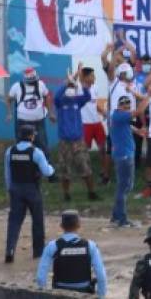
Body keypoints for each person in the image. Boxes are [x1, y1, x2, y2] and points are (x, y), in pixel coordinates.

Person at [4, 124, 54, 263]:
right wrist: (52, 169)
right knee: (37, 221)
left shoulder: (10, 151)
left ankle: (10, 251)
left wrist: (10, 189)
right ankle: (38, 253)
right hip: (32, 189)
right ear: (32, 136)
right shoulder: (36, 152)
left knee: (14, 222)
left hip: (16, 189)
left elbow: (7, 173)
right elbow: (46, 172)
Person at [36, 210, 107, 297]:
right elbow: (101, 276)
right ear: (79, 225)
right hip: (83, 293)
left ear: (61, 226)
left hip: (59, 292)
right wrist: (101, 296)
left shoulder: (52, 246)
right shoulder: (90, 246)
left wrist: (45, 295)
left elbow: (40, 277)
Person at [54, 70, 99, 203]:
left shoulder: (77, 101)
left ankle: (91, 193)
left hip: (78, 141)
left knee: (85, 167)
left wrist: (82, 84)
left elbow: (87, 96)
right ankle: (66, 194)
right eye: (69, 86)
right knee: (65, 170)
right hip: (65, 142)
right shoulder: (60, 102)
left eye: (72, 86)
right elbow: (56, 96)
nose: (71, 88)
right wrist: (66, 84)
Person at [6, 67, 55, 167]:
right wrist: (9, 113)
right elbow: (8, 99)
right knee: (21, 144)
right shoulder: (16, 86)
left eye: (34, 80)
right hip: (22, 123)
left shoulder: (41, 84)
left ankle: (47, 167)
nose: (33, 82)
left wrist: (50, 113)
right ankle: (22, 166)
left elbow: (47, 97)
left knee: (42, 144)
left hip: (39, 122)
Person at [111, 95, 145, 228]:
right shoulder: (120, 115)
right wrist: (148, 97)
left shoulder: (118, 116)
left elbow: (127, 126)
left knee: (124, 186)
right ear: (120, 106)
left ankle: (116, 215)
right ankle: (122, 219)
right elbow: (139, 111)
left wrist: (138, 131)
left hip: (123, 155)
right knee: (124, 187)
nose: (127, 107)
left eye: (128, 105)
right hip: (125, 156)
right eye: (125, 105)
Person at [77, 67, 109, 186]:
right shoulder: (79, 88)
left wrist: (104, 112)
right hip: (85, 124)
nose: (94, 78)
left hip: (97, 123)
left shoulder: (95, 88)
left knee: (103, 149)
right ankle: (87, 175)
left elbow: (94, 105)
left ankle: (105, 174)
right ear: (85, 78)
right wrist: (79, 71)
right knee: (84, 152)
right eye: (92, 76)